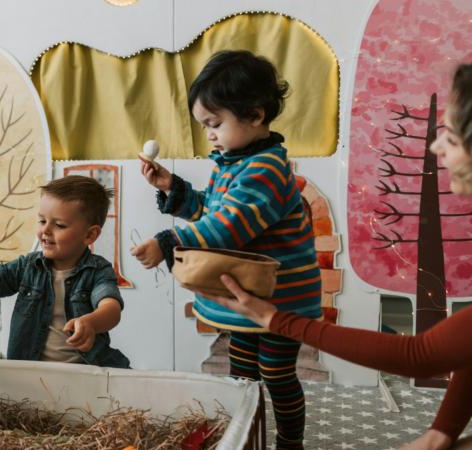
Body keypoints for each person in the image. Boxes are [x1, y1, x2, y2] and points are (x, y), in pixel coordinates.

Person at [206, 63, 472, 450]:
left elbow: (419, 355)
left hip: (283, 312)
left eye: (450, 134)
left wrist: (275, 319)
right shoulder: (229, 172)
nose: (435, 146)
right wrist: (442, 432)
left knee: (278, 378)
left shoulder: (266, 169)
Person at [131, 50, 321, 450]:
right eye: (205, 126)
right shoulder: (234, 163)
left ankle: (290, 443)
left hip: (282, 297)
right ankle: (246, 434)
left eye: (215, 124)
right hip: (250, 296)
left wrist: (169, 243)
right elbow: (211, 209)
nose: (210, 135)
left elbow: (227, 227)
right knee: (242, 371)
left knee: (277, 373)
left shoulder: (265, 169)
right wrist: (173, 189)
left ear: (254, 115)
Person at [0, 175, 130, 368]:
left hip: (85, 375)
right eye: (42, 221)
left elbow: (111, 308)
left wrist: (91, 322)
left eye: (59, 225)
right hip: (30, 375)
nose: (45, 231)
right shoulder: (27, 267)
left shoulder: (97, 270)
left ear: (89, 235)